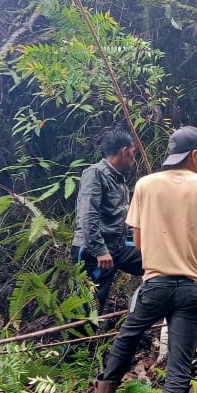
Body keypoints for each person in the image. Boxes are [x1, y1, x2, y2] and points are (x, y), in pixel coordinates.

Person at [90, 126, 197, 393]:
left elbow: (137, 242)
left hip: (155, 283)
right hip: (194, 289)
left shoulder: (145, 185)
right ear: (194, 155)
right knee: (180, 367)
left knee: (128, 335)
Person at [71, 129, 144, 315]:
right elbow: (87, 215)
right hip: (94, 251)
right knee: (90, 305)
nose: (134, 159)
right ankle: (77, 343)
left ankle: (146, 313)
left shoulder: (119, 179)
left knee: (156, 261)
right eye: (133, 153)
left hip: (117, 247)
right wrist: (99, 250)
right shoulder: (95, 174)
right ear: (124, 151)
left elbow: (120, 218)